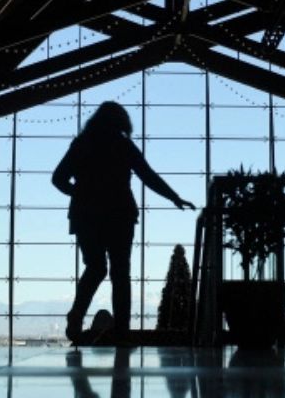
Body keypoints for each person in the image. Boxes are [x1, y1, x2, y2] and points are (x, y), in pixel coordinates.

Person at [53, 101, 196, 343]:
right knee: (121, 273)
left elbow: (58, 179)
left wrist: (80, 193)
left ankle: (77, 314)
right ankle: (122, 330)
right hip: (120, 214)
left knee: (95, 267)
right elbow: (147, 175)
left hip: (86, 216)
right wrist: (174, 197)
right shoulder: (122, 145)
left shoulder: (82, 144)